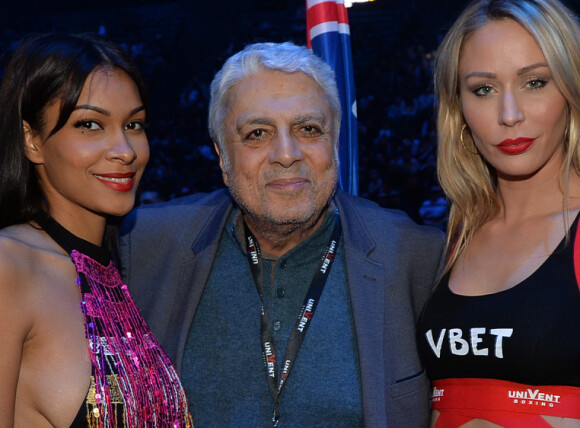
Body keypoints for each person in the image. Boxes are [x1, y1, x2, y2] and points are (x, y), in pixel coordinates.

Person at [120, 41, 445, 427]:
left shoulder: (416, 257)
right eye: (257, 133)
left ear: (335, 145)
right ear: (223, 158)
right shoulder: (143, 246)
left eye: (308, 129)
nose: (286, 153)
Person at [0, 33, 192, 427]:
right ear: (31, 140)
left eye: (134, 125)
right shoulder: (10, 267)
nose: (124, 150)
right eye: (90, 125)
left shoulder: (122, 273)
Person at [417, 0, 580, 427]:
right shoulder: (453, 237)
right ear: (460, 111)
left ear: (571, 89)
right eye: (484, 89)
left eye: (534, 82)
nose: (510, 113)